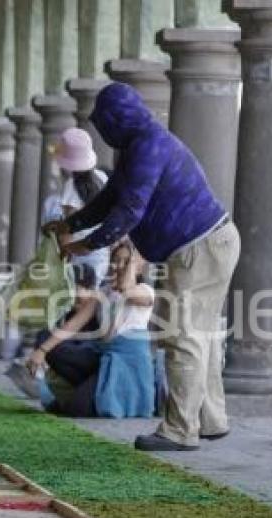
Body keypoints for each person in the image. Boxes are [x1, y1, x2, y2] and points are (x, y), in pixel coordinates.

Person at [44, 83, 240, 451]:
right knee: (199, 334)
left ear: (119, 119)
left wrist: (84, 244)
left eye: (104, 123)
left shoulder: (150, 146)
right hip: (204, 244)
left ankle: (180, 430)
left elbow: (129, 210)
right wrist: (70, 225)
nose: (103, 131)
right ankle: (210, 419)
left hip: (202, 246)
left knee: (184, 336)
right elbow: (110, 198)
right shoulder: (137, 147)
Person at [20, 242, 155, 418]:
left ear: (138, 267)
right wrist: (42, 350)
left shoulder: (146, 291)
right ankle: (88, 386)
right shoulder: (103, 292)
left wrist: (132, 263)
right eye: (115, 261)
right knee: (48, 341)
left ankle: (88, 392)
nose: (119, 266)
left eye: (125, 262)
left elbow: (126, 290)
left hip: (127, 363)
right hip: (101, 356)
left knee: (77, 409)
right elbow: (74, 324)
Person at [53, 128, 110, 288]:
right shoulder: (102, 178)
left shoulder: (70, 188)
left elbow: (68, 230)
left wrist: (62, 257)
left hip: (79, 252)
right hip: (102, 252)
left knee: (77, 300)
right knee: (93, 299)